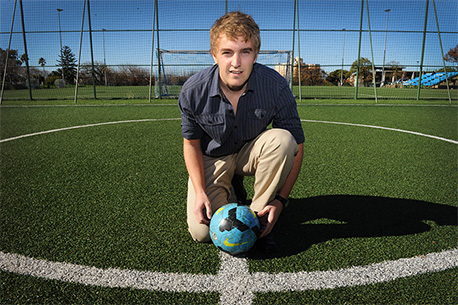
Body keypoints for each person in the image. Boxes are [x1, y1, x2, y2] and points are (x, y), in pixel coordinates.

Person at [179, 11, 305, 253]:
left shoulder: (275, 86)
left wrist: (280, 201)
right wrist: (200, 191)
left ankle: (258, 215)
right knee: (203, 232)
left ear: (255, 54)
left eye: (245, 52)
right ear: (214, 55)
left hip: (249, 152)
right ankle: (230, 187)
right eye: (227, 52)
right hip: (212, 157)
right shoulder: (193, 90)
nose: (236, 62)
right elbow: (191, 143)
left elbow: (297, 147)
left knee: (283, 140)